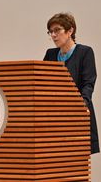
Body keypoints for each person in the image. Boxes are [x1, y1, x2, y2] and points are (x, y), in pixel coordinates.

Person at [43, 12, 100, 154]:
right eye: (50, 31)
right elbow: (42, 83)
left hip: (77, 118)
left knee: (75, 165)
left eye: (57, 30)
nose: (53, 35)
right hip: (54, 120)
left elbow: (88, 85)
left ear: (70, 31)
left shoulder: (85, 52)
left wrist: (79, 108)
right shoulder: (50, 54)